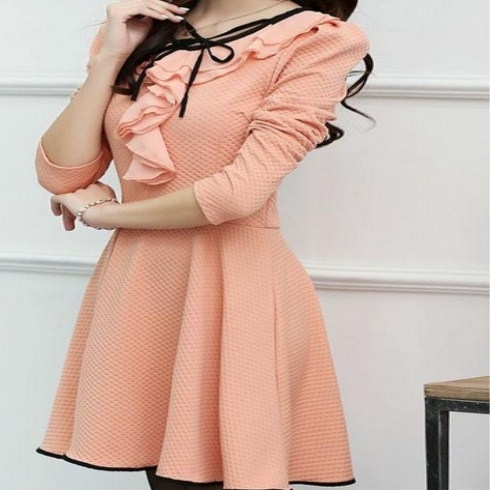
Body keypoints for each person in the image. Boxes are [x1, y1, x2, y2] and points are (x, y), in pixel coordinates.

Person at [34, 1, 373, 489]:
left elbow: (239, 193)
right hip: (138, 290)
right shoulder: (144, 32)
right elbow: (62, 173)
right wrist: (110, 58)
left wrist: (104, 214)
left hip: (234, 289)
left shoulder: (317, 39)